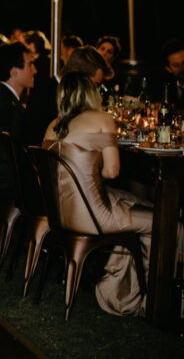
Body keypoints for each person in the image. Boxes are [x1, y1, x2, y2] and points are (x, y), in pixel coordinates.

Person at [43, 72, 161, 316]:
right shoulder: (101, 119)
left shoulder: (52, 125)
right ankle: (154, 299)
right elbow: (112, 171)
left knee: (133, 202)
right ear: (91, 94)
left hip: (59, 214)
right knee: (162, 222)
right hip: (93, 216)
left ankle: (120, 288)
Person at [0, 42, 35, 200]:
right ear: (14, 71)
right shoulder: (5, 107)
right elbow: (16, 156)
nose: (34, 70)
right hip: (11, 188)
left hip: (2, 180)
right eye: (30, 65)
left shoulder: (0, 97)